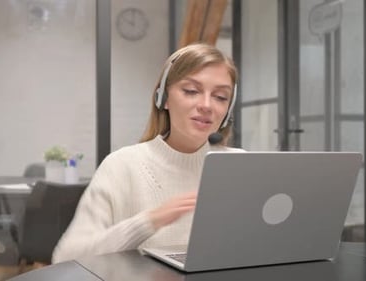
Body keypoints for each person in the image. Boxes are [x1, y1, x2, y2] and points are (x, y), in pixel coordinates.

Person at [52, 43, 243, 263]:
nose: (207, 105)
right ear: (164, 98)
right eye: (191, 91)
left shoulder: (239, 165)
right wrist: (149, 222)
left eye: (220, 97)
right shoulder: (122, 165)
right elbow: (66, 257)